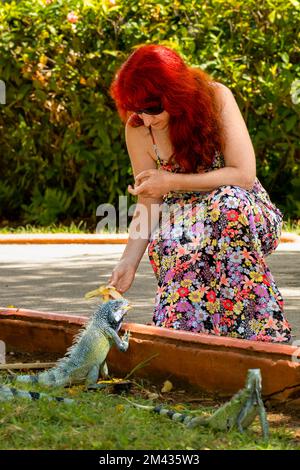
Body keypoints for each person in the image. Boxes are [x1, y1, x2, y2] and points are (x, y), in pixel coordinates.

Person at [108, 44, 291, 343]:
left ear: (174, 94)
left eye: (153, 108)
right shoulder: (138, 127)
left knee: (224, 207)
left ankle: (263, 339)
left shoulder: (215, 97)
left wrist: (170, 182)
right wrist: (128, 261)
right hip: (187, 224)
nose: (147, 118)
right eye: (138, 110)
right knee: (173, 241)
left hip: (244, 212)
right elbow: (149, 199)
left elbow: (243, 175)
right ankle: (185, 345)